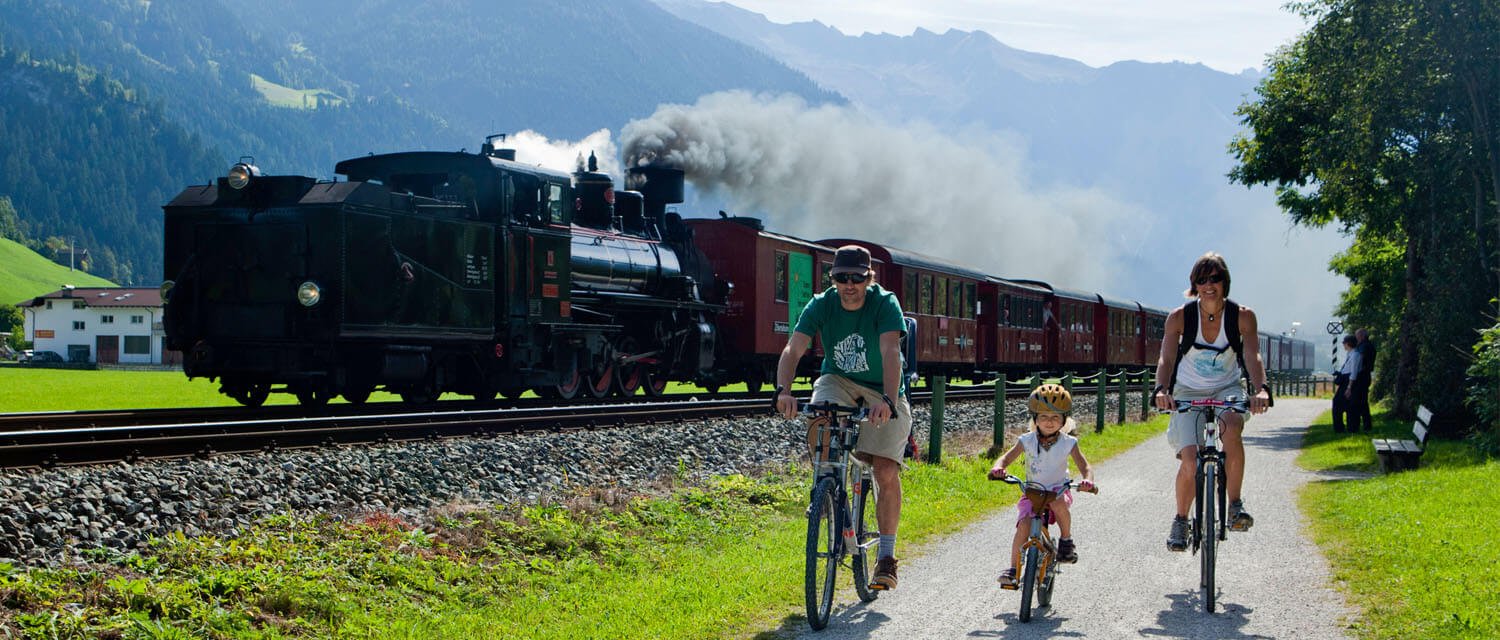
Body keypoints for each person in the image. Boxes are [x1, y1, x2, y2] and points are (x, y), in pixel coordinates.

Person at [775, 244, 912, 591]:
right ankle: (823, 491)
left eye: (856, 278)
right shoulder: (822, 304)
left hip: (882, 385)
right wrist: (784, 391)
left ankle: (886, 556)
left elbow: (891, 350)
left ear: (869, 278)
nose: (849, 285)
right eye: (841, 277)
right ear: (832, 278)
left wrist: (887, 399)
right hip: (838, 380)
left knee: (884, 469)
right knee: (820, 418)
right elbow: (794, 347)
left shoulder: (884, 302)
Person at [1152, 252, 1271, 552]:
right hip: (1187, 392)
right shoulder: (1180, 317)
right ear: (1194, 285)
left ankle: (1234, 505)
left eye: (1214, 278)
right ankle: (1180, 520)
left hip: (1227, 389)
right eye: (1201, 280)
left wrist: (1261, 390)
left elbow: (1252, 355)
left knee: (1232, 427)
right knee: (1190, 461)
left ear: (1224, 282)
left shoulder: (1242, 316)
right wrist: (1161, 389)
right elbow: (1166, 358)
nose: (1208, 285)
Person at [988, 384, 1096, 589]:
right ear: (1035, 419)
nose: (1049, 422)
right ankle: (1013, 570)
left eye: (1056, 417)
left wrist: (1087, 480)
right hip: (1032, 492)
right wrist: (998, 468)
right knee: (1023, 526)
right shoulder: (1026, 440)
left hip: (1057, 491)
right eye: (1044, 417)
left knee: (1057, 503)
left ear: (1064, 420)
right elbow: (1005, 458)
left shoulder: (1069, 443)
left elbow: (1085, 466)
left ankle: (1066, 541)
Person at [1332, 335, 1360, 433]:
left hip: (1348, 382)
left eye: (1344, 343)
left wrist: (1349, 387)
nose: (1343, 345)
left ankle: (1342, 427)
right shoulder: (1350, 354)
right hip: (1345, 380)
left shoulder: (1355, 355)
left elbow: (1353, 372)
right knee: (1343, 404)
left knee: (1339, 403)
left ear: (1348, 343)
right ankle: (1343, 427)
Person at [1351, 328, 1375, 432]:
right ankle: (1365, 425)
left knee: (1360, 402)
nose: (1356, 338)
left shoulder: (1364, 347)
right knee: (1362, 402)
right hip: (1365, 376)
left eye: (1357, 336)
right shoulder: (1368, 345)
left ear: (1361, 336)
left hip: (1362, 377)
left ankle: (1363, 425)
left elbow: (1359, 361)